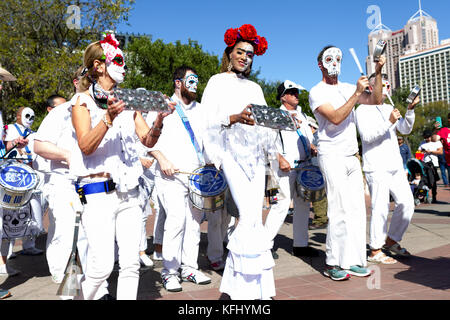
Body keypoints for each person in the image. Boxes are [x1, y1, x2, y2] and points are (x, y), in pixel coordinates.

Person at [69, 33, 174, 300]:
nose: (124, 66)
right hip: (97, 191)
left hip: (130, 192)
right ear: (98, 65)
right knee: (102, 266)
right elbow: (86, 146)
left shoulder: (130, 103)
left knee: (130, 265)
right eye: (118, 60)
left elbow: (147, 139)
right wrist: (108, 117)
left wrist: (159, 121)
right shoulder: (83, 102)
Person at [201, 24, 277, 300]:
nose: (245, 57)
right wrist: (234, 117)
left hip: (256, 158)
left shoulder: (256, 87)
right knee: (245, 216)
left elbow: (265, 121)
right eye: (240, 52)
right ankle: (243, 288)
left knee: (255, 219)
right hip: (231, 155)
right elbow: (205, 121)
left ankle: (253, 287)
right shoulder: (216, 82)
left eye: (250, 54)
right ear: (229, 53)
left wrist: (280, 126)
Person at [34, 67, 113, 300]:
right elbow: (39, 146)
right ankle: (70, 293)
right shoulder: (61, 112)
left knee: (95, 237)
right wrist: (69, 156)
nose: (90, 82)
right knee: (71, 238)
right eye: (87, 77)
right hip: (64, 182)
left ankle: (99, 290)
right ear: (76, 81)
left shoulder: (101, 110)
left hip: (93, 184)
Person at [308, 45, 386, 281]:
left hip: (352, 156)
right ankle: (333, 262)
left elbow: (376, 99)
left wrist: (379, 71)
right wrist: (355, 94)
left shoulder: (347, 87)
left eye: (338, 58)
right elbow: (335, 117)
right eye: (329, 58)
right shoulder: (317, 91)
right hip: (332, 155)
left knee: (356, 209)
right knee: (339, 208)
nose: (335, 62)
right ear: (320, 64)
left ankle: (353, 260)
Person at [148, 66, 212, 292]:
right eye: (190, 80)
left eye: (196, 81)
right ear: (178, 82)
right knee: (175, 222)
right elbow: (146, 139)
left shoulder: (202, 110)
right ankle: (169, 272)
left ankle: (190, 268)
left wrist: (212, 167)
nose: (194, 86)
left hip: (196, 177)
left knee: (194, 224)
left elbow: (208, 142)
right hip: (170, 176)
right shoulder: (161, 105)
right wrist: (161, 158)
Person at [356, 73, 420, 264]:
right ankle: (375, 249)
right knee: (380, 207)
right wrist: (389, 121)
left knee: (407, 203)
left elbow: (406, 129)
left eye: (388, 85)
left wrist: (409, 111)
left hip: (394, 165)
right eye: (382, 85)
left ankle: (391, 240)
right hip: (376, 166)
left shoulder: (388, 107)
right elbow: (367, 137)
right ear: (371, 87)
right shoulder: (362, 110)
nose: (386, 89)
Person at [264, 80, 320, 258]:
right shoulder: (276, 115)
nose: (296, 94)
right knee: (281, 205)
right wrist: (279, 158)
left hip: (304, 166)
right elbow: (268, 141)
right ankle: (264, 245)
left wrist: (311, 147)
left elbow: (307, 137)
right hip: (286, 167)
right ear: (283, 97)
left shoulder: (302, 115)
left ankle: (300, 245)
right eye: (292, 92)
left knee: (303, 204)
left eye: (296, 91)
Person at [4, 107, 44, 258]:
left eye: (32, 116)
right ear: (18, 115)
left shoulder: (34, 134)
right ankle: (7, 251)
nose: (30, 118)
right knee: (12, 211)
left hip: (30, 175)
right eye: (27, 115)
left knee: (31, 211)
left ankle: (29, 245)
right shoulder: (9, 130)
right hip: (13, 175)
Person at [307, 116, 328, 230]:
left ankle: (320, 219)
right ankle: (323, 217)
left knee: (318, 195)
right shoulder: (318, 135)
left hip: (317, 167)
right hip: (317, 167)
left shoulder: (316, 136)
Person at [419, 129, 443, 203]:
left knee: (433, 181)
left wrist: (431, 151)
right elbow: (419, 152)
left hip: (434, 164)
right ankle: (423, 195)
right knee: (423, 180)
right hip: (424, 163)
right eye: (425, 137)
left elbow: (441, 152)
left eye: (428, 137)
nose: (427, 139)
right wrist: (422, 152)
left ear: (431, 136)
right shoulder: (422, 143)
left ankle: (434, 196)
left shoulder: (437, 142)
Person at [436, 113, 450, 187]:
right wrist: (437, 129)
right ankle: (446, 183)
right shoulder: (443, 131)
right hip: (443, 157)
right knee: (443, 171)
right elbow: (435, 138)